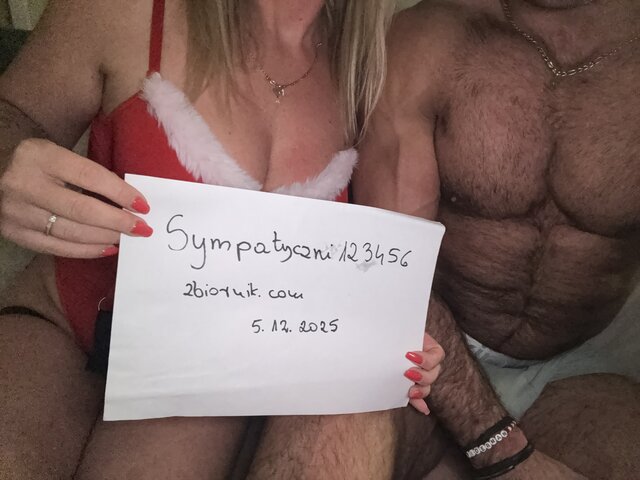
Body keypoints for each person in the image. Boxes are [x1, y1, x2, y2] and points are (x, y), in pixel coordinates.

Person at [0, 1, 446, 479]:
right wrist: (9, 164)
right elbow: (14, 115)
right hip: (61, 324)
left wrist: (389, 339)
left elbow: (362, 265)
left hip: (206, 366)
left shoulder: (368, 69)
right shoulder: (125, 10)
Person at [356, 0, 640, 478]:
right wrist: (494, 442)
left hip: (580, 362)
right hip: (430, 350)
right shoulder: (430, 38)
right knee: (325, 437)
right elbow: (391, 269)